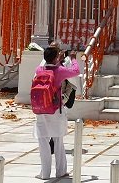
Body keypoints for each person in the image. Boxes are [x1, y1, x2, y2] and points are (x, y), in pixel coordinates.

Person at [34, 45, 80, 180]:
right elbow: (75, 71)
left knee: (43, 141)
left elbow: (48, 66)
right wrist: (73, 58)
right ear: (55, 58)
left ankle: (44, 173)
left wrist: (56, 60)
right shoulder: (59, 71)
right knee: (58, 140)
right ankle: (60, 171)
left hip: (40, 109)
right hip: (55, 110)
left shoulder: (39, 69)